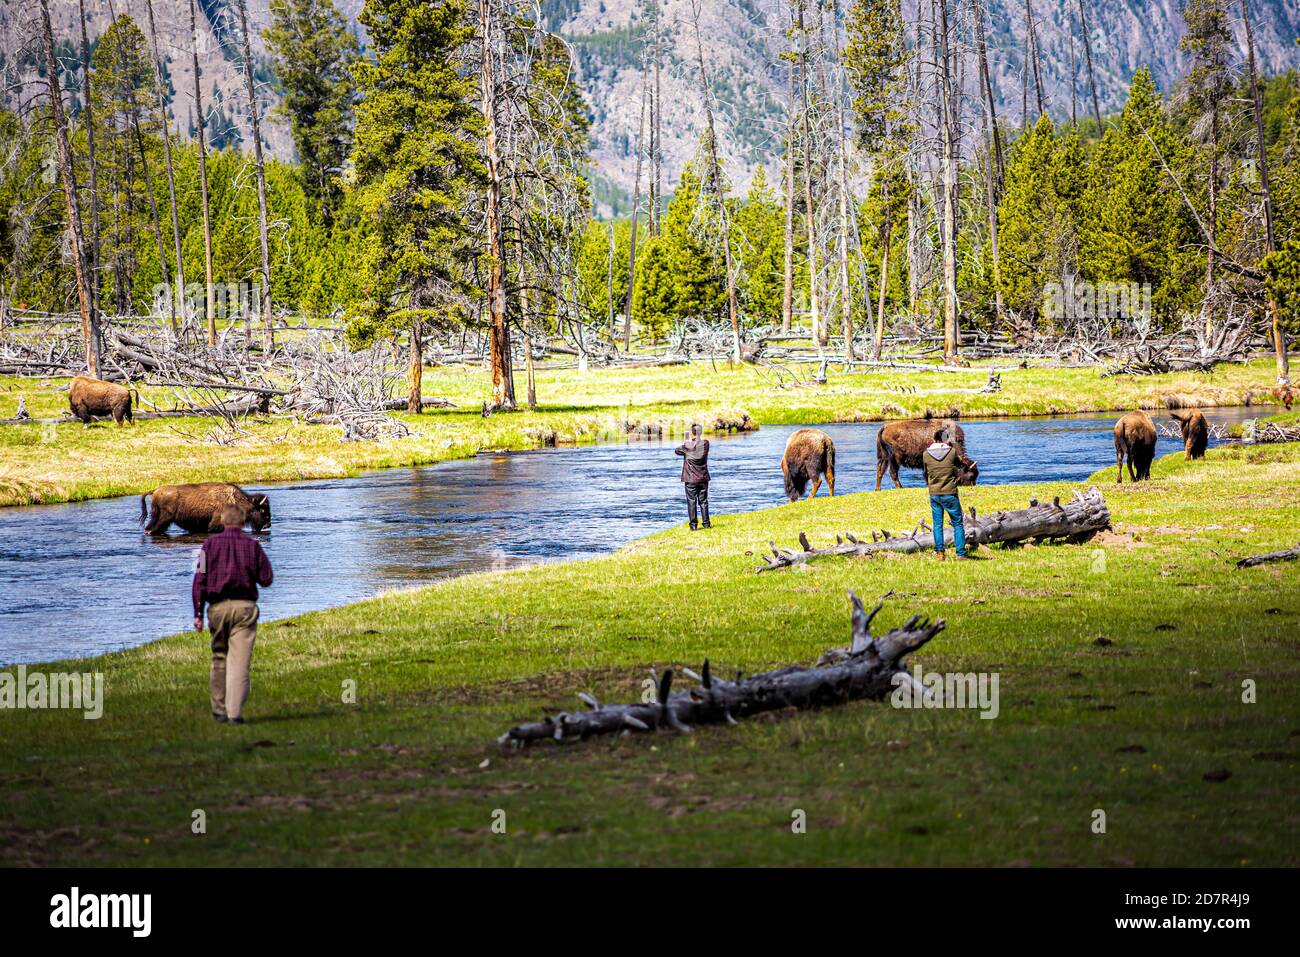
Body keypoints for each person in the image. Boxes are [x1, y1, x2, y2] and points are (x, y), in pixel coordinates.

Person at [193, 504, 274, 723]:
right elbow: (267, 579)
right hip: (244, 609)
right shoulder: (252, 546)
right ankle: (235, 714)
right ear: (242, 522)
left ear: (222, 522)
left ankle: (219, 710)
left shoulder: (207, 546)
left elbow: (199, 581)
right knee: (240, 662)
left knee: (219, 658)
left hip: (217, 609)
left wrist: (198, 613)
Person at [922, 427, 967, 561]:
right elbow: (960, 465)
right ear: (946, 440)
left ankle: (940, 553)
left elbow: (925, 472)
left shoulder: (925, 454)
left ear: (934, 440)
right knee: (958, 523)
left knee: (937, 524)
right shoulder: (952, 452)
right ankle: (961, 554)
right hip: (950, 492)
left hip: (934, 493)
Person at [675, 423, 711, 530]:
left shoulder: (687, 446)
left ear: (692, 433)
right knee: (703, 501)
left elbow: (677, 451)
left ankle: (693, 526)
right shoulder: (706, 444)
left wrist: (686, 442)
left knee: (691, 501)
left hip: (690, 478)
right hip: (703, 477)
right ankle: (706, 524)